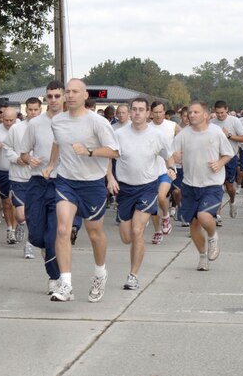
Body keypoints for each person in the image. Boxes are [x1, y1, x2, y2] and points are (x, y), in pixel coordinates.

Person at [43, 78, 119, 302]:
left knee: (95, 234)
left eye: (75, 91)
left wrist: (89, 152)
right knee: (63, 229)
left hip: (92, 184)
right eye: (68, 91)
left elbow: (114, 151)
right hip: (66, 181)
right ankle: (66, 284)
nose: (70, 95)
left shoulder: (97, 122)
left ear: (85, 95)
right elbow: (58, 143)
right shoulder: (57, 122)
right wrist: (51, 164)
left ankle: (100, 273)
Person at [107, 97, 174, 290]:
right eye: (134, 109)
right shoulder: (118, 134)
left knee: (138, 230)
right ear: (129, 112)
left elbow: (168, 155)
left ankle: (133, 276)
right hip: (125, 189)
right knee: (126, 237)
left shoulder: (156, 135)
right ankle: (134, 252)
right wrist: (110, 178)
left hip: (147, 187)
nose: (137, 113)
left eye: (141, 109)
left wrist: (172, 169)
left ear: (147, 113)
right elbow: (108, 158)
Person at [173, 101, 233, 271]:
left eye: (196, 112)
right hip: (190, 185)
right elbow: (171, 153)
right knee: (193, 224)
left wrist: (220, 163)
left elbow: (229, 153)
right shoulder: (183, 134)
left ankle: (213, 238)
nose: (192, 115)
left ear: (206, 115)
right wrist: (174, 157)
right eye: (190, 112)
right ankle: (202, 256)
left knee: (204, 217)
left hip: (211, 184)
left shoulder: (216, 132)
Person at [20, 81, 65, 294]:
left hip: (61, 183)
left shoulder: (71, 122)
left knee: (52, 237)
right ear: (46, 98)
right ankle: (48, 252)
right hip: (37, 182)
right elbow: (23, 153)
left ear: (64, 97)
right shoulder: (35, 124)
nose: (54, 100)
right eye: (50, 96)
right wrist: (29, 159)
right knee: (37, 236)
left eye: (57, 96)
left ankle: (55, 277)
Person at [4, 97, 42, 259]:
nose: (33, 112)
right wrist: (16, 158)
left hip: (38, 177)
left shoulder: (47, 128)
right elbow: (7, 148)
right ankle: (20, 224)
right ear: (26, 110)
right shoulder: (16, 129)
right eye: (30, 109)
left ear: (41, 110)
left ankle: (29, 245)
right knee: (20, 215)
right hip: (19, 177)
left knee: (34, 213)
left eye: (36, 109)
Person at [210, 100, 243, 224]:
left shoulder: (234, 121)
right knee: (217, 187)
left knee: (229, 187)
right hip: (216, 158)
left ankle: (232, 201)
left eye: (222, 112)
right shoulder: (211, 123)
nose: (220, 115)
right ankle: (217, 215)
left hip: (230, 157)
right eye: (217, 113)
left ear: (226, 109)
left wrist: (229, 136)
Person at [148, 101, 179, 243]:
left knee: (161, 197)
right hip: (150, 171)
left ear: (164, 112)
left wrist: (179, 152)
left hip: (167, 170)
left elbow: (185, 139)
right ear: (150, 113)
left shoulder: (172, 126)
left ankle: (166, 217)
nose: (158, 115)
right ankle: (157, 231)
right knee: (153, 203)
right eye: (155, 112)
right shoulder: (146, 128)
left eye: (160, 112)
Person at [0, 107, 19, 243]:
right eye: (5, 120)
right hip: (2, 171)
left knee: (15, 203)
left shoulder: (22, 129)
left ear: (16, 118)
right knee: (6, 203)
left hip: (18, 171)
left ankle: (15, 229)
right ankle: (9, 228)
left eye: (11, 120)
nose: (8, 123)